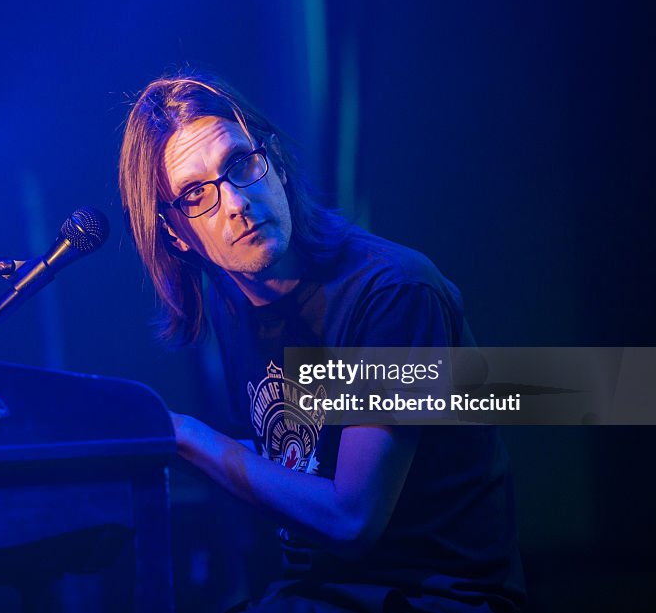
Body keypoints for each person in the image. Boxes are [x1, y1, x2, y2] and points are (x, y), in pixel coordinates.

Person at [118, 70, 525, 612]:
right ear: (174, 232)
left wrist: (188, 437)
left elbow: (350, 517)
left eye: (240, 164)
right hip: (315, 594)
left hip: (435, 598)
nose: (234, 202)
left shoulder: (393, 293)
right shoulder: (233, 297)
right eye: (196, 194)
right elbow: (289, 463)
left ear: (277, 164)